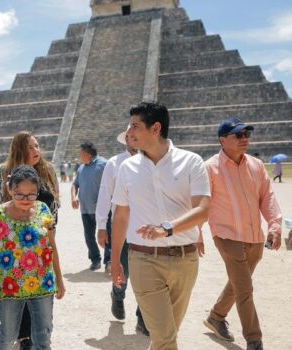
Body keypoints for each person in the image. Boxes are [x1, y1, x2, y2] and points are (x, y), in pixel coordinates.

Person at [110, 101, 211, 350]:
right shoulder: (127, 168)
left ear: (155, 128)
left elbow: (203, 210)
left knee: (166, 336)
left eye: (135, 126)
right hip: (143, 259)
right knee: (165, 337)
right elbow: (121, 217)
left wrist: (166, 228)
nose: (129, 133)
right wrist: (114, 261)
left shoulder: (192, 162)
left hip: (185, 260)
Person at [0, 131, 59, 350]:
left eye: (31, 194)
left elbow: (53, 235)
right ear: (10, 189)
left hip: (41, 272)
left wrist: (59, 278)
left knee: (43, 332)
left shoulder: (46, 175)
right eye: (31, 147)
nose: (36, 151)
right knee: (9, 333)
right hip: (11, 276)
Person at [203, 118, 283, 350]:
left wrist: (275, 225)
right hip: (227, 236)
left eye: (246, 134)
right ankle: (254, 340)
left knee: (239, 282)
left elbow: (267, 196)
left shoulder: (256, 165)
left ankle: (216, 316)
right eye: (238, 135)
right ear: (222, 140)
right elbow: (201, 202)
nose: (244, 139)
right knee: (245, 289)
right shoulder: (210, 168)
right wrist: (196, 233)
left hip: (254, 237)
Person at [95, 127, 147, 335]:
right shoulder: (115, 163)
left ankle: (143, 316)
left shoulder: (152, 161)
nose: (133, 139)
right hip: (122, 226)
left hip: (146, 227)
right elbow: (104, 194)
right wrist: (101, 226)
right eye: (130, 136)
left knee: (146, 275)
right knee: (121, 270)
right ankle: (118, 295)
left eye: (137, 135)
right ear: (125, 139)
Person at [71, 142, 107, 271]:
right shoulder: (81, 168)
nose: (79, 156)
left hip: (101, 208)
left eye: (81, 153)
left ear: (88, 153)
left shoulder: (104, 164)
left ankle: (109, 260)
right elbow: (75, 185)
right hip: (85, 208)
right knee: (89, 236)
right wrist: (73, 197)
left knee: (106, 233)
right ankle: (95, 259)